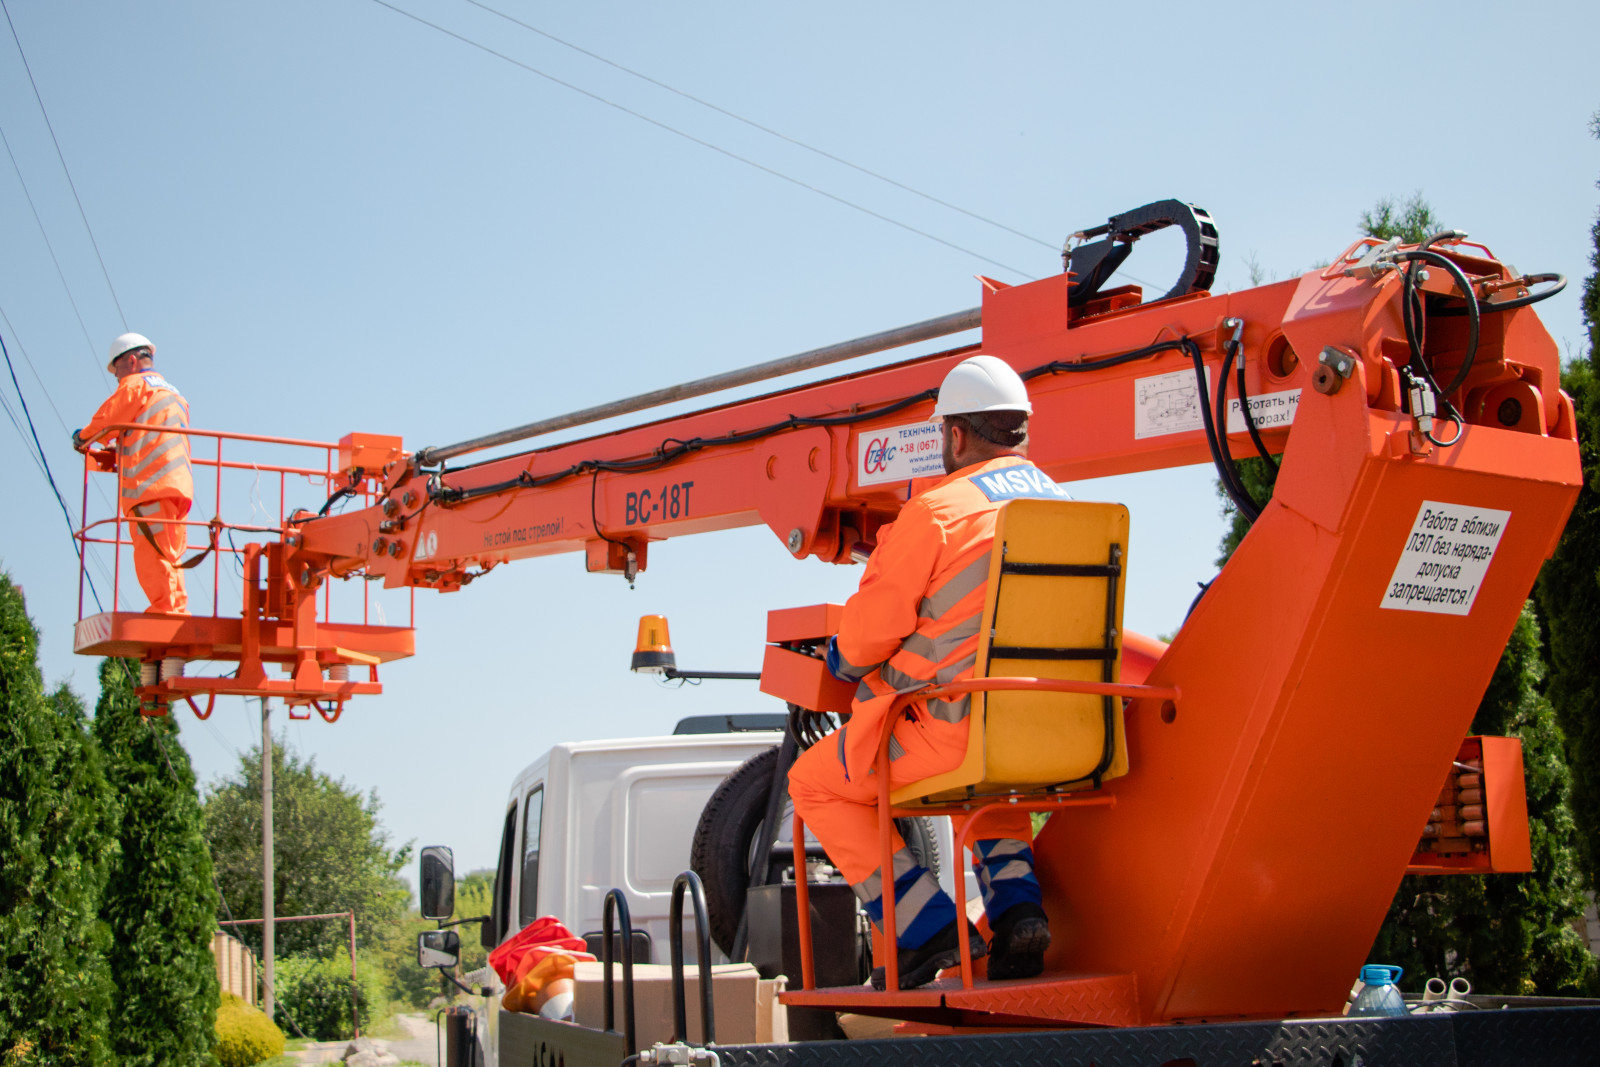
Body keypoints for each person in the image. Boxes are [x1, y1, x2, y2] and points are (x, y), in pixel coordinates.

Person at [787, 354, 1071, 989]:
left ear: (955, 435)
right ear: (1021, 430)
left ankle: (924, 927)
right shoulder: (1069, 504)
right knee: (991, 780)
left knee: (815, 783)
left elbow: (866, 641)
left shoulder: (936, 512)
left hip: (951, 728)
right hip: (1052, 726)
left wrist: (835, 657)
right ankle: (1018, 911)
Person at [73, 333, 194, 615]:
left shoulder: (135, 386)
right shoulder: (173, 393)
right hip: (178, 487)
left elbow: (108, 418)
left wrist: (83, 438)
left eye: (117, 371)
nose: (117, 379)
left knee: (152, 553)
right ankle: (175, 609)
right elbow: (147, 431)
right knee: (170, 553)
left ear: (130, 360)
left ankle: (165, 611)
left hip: (149, 485)